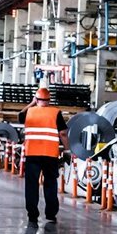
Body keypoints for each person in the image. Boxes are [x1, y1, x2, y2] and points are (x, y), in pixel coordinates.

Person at [19, 87, 67, 225]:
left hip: (32, 154)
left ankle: (32, 214)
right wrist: (68, 149)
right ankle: (51, 214)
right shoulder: (56, 113)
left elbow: (20, 114)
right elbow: (63, 133)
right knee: (50, 183)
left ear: (36, 99)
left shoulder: (29, 112)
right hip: (50, 154)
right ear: (49, 100)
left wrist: (31, 103)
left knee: (32, 184)